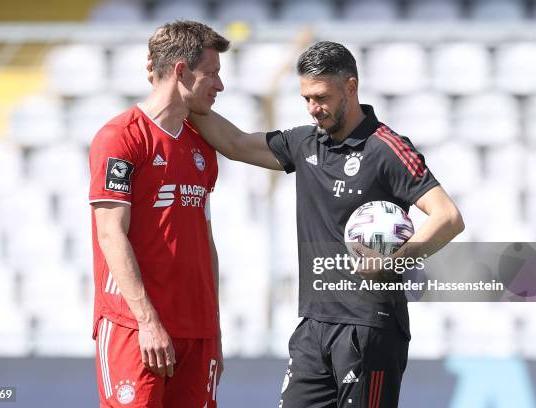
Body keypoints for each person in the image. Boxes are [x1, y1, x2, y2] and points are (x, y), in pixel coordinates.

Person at [186, 41, 465, 407]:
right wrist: (183, 101)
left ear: (351, 87)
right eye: (306, 98)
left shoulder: (387, 149)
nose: (313, 108)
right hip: (314, 326)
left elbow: (448, 216)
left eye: (321, 97)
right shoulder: (304, 143)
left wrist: (396, 258)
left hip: (370, 325)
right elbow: (235, 143)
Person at [88, 21, 229, 408]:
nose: (220, 86)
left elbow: (205, 239)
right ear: (182, 71)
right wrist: (148, 322)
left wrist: (213, 328)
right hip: (136, 329)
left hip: (197, 334)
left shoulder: (202, 148)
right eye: (212, 74)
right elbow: (110, 235)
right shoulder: (120, 137)